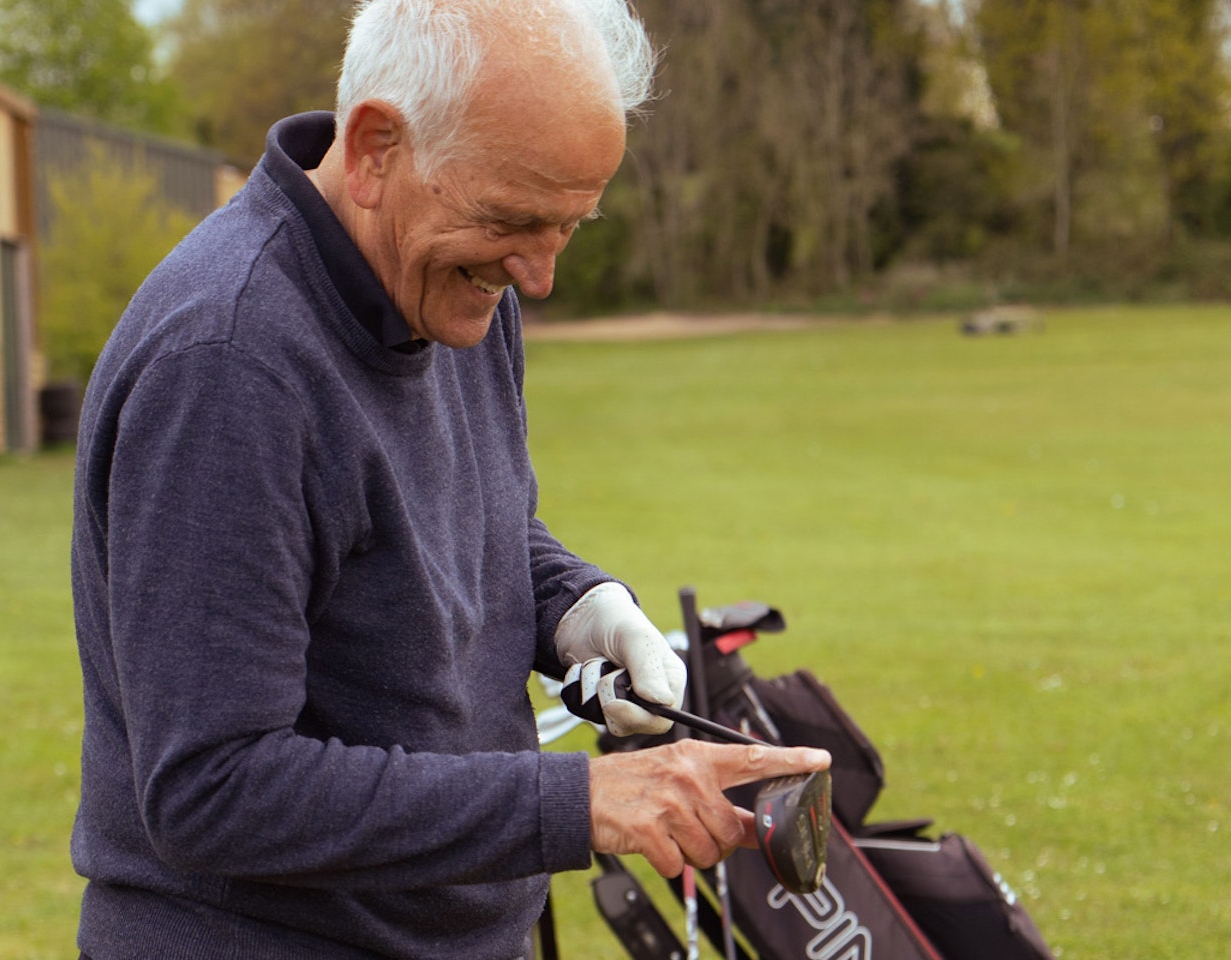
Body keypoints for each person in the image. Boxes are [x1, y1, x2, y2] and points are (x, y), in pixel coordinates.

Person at [68, 0, 830, 957]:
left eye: (570, 226)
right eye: (515, 219)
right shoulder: (228, 366)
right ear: (378, 147)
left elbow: (472, 524)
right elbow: (213, 789)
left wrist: (578, 606)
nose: (540, 275)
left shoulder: (450, 286)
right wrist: (578, 800)